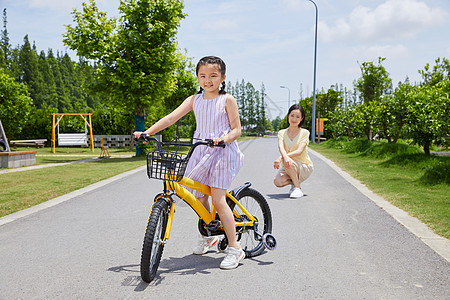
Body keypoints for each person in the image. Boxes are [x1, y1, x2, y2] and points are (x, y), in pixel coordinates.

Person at [134, 56, 245, 270]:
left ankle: (234, 247)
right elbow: (170, 118)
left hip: (222, 151)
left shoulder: (227, 99)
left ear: (223, 77)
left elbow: (237, 129)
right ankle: (209, 235)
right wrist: (147, 133)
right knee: (199, 194)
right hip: (201, 149)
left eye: (213, 76)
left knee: (218, 200)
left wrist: (223, 139)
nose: (207, 80)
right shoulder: (195, 99)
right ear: (197, 77)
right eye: (202, 76)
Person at [273, 104, 313, 198]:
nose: (294, 119)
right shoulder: (282, 133)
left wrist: (282, 157)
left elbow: (299, 151)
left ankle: (297, 188)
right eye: (292, 115)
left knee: (287, 161)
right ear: (288, 116)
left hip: (303, 166)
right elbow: (281, 147)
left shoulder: (304, 132)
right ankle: (294, 183)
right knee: (277, 181)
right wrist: (285, 157)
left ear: (301, 118)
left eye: (298, 116)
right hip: (289, 165)